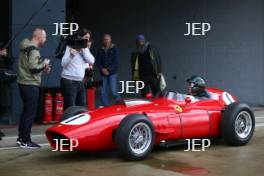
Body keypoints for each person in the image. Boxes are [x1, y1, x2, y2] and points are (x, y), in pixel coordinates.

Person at [17, 28, 51, 148]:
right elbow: (33, 68)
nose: (45, 39)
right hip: (30, 85)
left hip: (23, 83)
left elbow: (30, 67)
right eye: (45, 37)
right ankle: (26, 140)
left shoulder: (25, 46)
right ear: (38, 37)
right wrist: (44, 64)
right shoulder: (34, 50)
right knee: (30, 113)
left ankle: (21, 138)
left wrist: (42, 67)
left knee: (26, 112)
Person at [61, 28, 95, 110]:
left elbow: (92, 60)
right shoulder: (70, 47)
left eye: (89, 38)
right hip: (69, 81)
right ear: (80, 37)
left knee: (83, 106)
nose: (87, 39)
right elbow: (63, 64)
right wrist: (71, 56)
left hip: (80, 81)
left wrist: (84, 51)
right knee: (70, 107)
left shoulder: (85, 49)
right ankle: (67, 122)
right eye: (86, 37)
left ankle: (80, 123)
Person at [96, 34, 121, 106]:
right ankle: (106, 107)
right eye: (105, 39)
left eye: (108, 39)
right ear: (103, 40)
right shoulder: (100, 49)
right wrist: (102, 69)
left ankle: (120, 105)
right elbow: (98, 61)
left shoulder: (114, 48)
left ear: (110, 40)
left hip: (112, 73)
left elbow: (116, 62)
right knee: (103, 92)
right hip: (103, 73)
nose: (106, 41)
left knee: (113, 91)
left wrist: (108, 70)